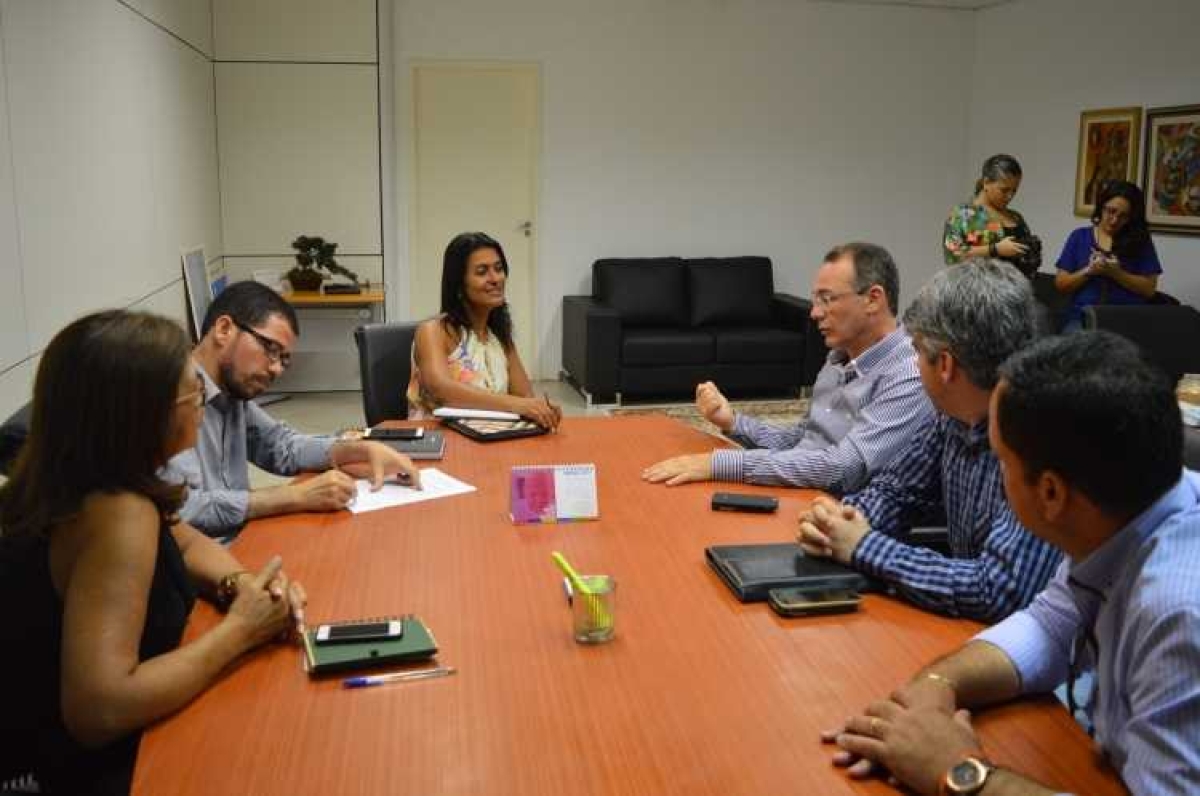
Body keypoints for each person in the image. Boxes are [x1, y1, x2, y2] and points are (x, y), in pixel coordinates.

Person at [821, 331, 1200, 795]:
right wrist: (936, 687)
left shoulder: (1180, 612)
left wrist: (961, 774)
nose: (995, 475)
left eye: (1000, 461)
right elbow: (1048, 626)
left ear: (1052, 494)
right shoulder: (1120, 513)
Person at [0, 311, 306, 795]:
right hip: (95, 770)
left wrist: (241, 583)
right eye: (195, 393)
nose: (204, 402)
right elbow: (99, 708)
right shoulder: (116, 515)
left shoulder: (85, 476)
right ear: (143, 411)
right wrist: (240, 631)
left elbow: (182, 539)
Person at [797, 260, 1061, 622]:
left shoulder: (1042, 437)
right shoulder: (950, 416)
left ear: (947, 366)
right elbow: (897, 489)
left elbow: (998, 590)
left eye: (918, 350)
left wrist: (863, 545)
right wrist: (838, 523)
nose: (914, 363)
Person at [641, 242, 932, 492]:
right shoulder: (837, 360)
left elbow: (842, 467)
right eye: (816, 299)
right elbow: (801, 441)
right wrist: (732, 422)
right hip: (803, 495)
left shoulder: (908, 373)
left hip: (842, 519)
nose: (815, 312)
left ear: (873, 299)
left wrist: (721, 464)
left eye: (827, 299)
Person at [164, 281, 421, 538]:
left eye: (283, 359)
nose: (276, 369)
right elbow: (184, 511)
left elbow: (281, 447)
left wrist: (355, 448)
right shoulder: (169, 395)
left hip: (239, 543)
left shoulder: (232, 394)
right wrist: (293, 496)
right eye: (271, 349)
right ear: (224, 330)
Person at [408, 231, 561, 429]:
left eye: (498, 269)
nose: (495, 278)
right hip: (442, 440)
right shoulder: (432, 331)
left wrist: (541, 409)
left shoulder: (498, 336)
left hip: (494, 438)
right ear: (459, 285)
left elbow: (524, 395)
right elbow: (441, 389)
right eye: (482, 272)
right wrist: (519, 405)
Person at [1054, 180, 1162, 331]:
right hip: (1083, 320)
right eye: (1111, 211)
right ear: (1101, 207)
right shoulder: (1079, 237)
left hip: (1127, 322)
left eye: (1123, 216)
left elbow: (1149, 289)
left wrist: (1117, 273)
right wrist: (1089, 271)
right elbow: (1061, 285)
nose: (1114, 220)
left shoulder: (1140, 241)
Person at [943, 154, 1041, 278]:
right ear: (986, 183)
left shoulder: (1015, 217)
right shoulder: (963, 215)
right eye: (1004, 190)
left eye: (1014, 191)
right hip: (980, 291)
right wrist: (994, 249)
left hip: (1018, 290)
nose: (1010, 196)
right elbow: (953, 254)